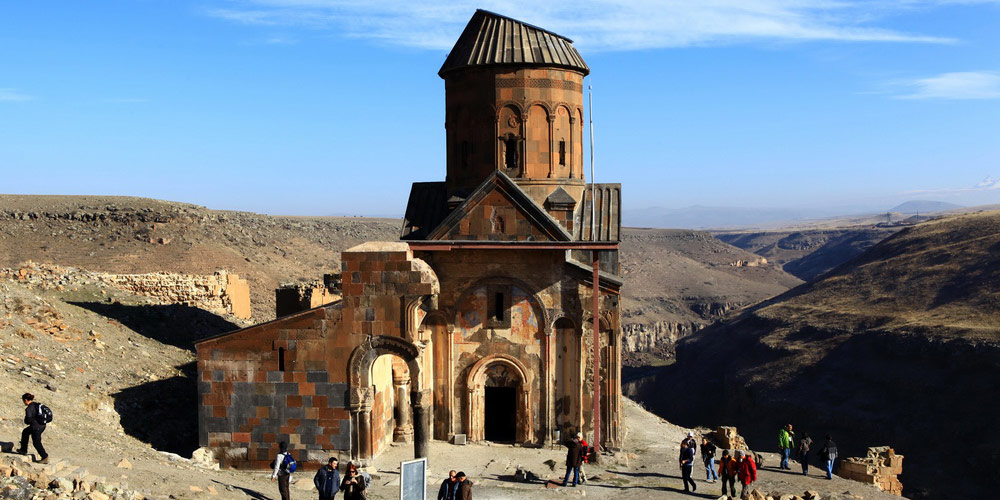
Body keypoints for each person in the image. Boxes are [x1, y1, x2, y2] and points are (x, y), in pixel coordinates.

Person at [16, 393, 48, 464]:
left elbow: (28, 420)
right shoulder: (36, 405)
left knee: (36, 442)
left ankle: (44, 457)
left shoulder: (29, 408)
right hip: (42, 425)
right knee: (25, 432)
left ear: (26, 400)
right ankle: (23, 449)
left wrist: (26, 420)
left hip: (36, 427)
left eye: (23, 400)